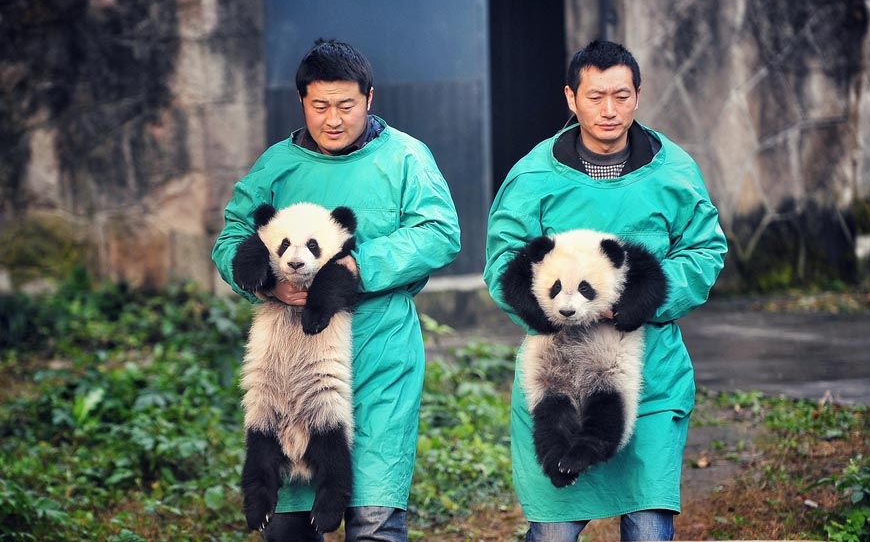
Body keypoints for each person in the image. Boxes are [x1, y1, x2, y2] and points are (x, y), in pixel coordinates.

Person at [212, 38, 461, 542]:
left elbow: (440, 232)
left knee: (374, 518)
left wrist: (354, 267)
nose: (332, 118)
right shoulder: (277, 165)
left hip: (378, 353)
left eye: (346, 105)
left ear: (370, 98)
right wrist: (266, 282)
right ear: (301, 101)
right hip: (293, 364)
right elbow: (232, 237)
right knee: (287, 527)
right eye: (319, 105)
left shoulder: (406, 158)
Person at [483, 40, 727, 541]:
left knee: (648, 526)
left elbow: (704, 252)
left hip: (648, 376)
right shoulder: (532, 177)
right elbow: (503, 265)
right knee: (552, 532)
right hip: (559, 373)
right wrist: (559, 311)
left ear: (638, 95)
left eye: (621, 95)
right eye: (595, 97)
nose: (609, 110)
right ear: (571, 99)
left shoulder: (674, 171)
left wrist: (632, 303)